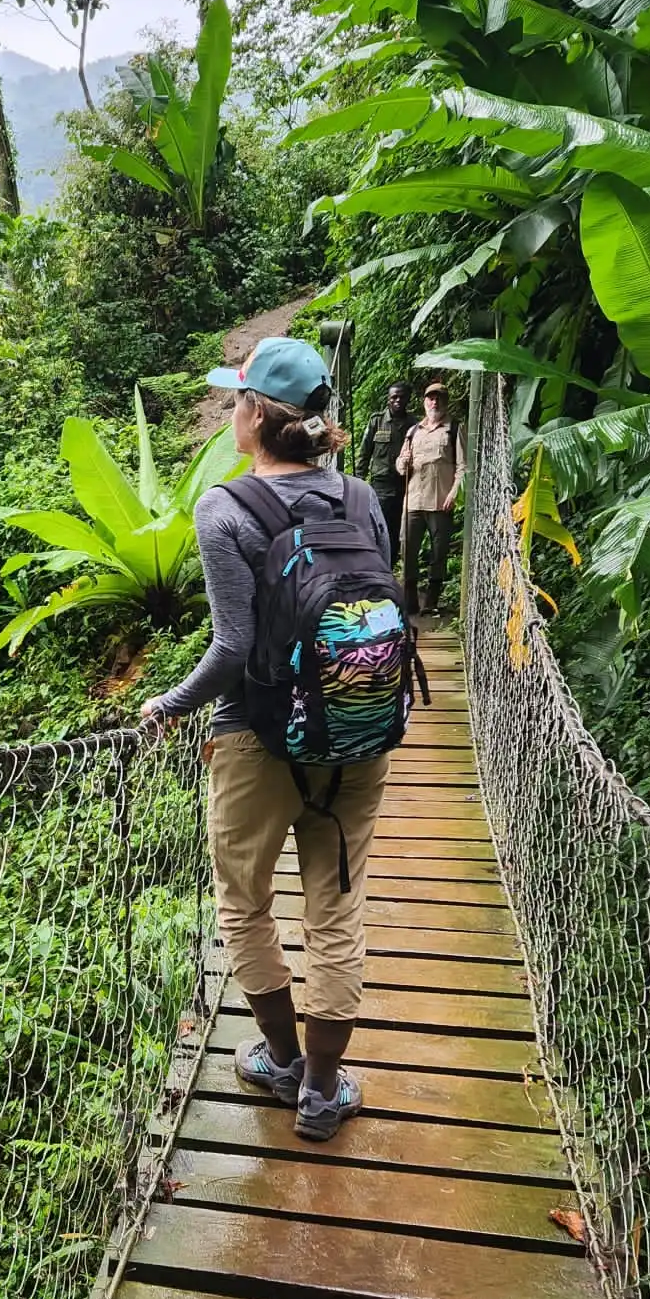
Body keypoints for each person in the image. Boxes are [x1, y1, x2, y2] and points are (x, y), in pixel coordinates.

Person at [140, 336, 393, 1143]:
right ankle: (322, 1091)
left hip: (255, 737)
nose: (230, 410)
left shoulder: (226, 509)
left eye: (235, 399)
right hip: (358, 731)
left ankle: (282, 1060)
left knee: (245, 903)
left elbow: (234, 647)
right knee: (337, 907)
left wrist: (169, 704)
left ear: (254, 415)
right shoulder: (361, 498)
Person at [397, 380, 464, 616]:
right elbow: (400, 466)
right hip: (414, 500)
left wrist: (454, 492)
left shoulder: (454, 428)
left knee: (438, 551)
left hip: (440, 501)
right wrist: (403, 462)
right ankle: (409, 601)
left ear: (446, 402)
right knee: (407, 548)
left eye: (439, 398)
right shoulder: (413, 431)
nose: (434, 402)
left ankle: (431, 603)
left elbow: (463, 466)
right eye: (430, 398)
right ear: (424, 402)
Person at [356, 381, 413, 565]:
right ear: (388, 399)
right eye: (394, 397)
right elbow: (364, 453)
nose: (398, 401)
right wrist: (359, 481)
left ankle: (389, 567)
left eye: (401, 397)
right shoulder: (377, 421)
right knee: (376, 527)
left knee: (397, 531)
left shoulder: (414, 424)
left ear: (408, 399)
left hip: (405, 486)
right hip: (380, 486)